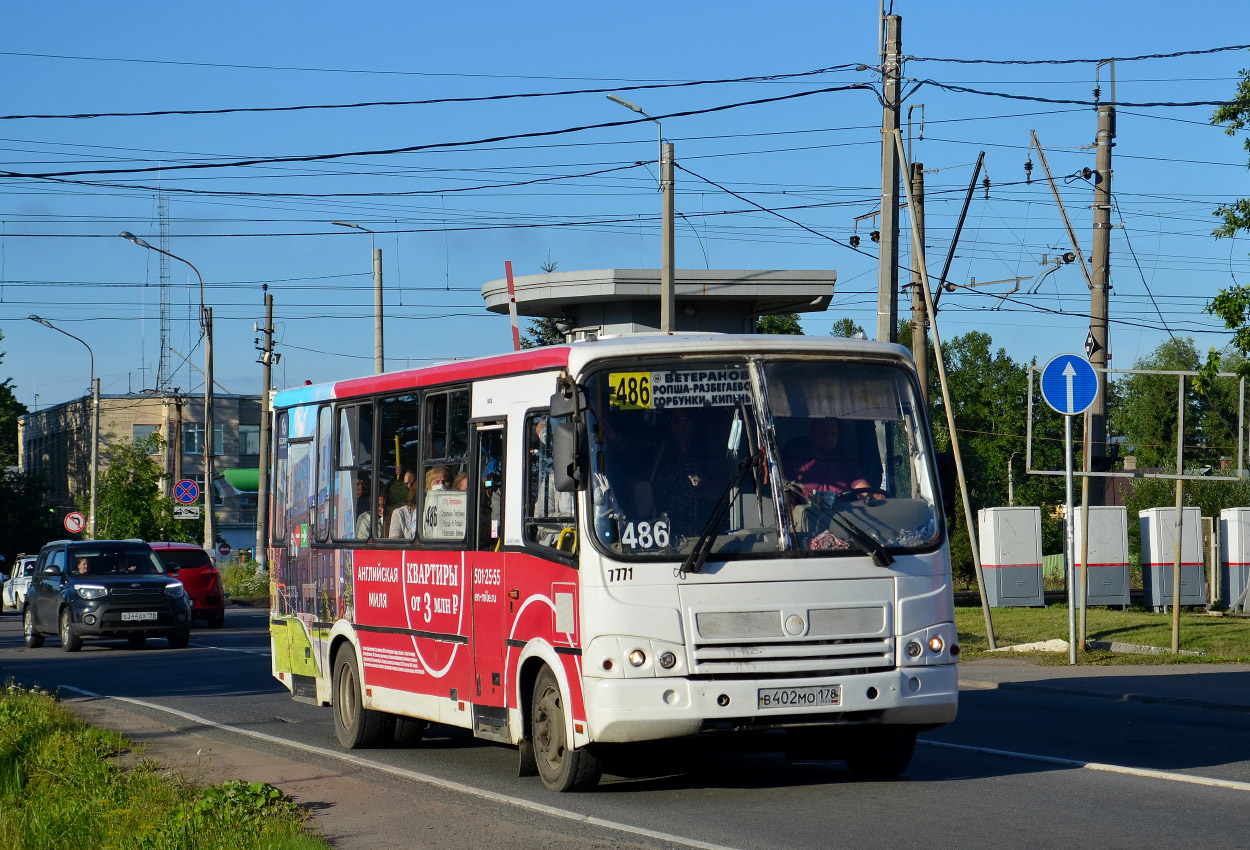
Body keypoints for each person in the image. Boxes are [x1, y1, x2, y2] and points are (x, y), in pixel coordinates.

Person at [784, 417, 874, 501]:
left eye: (833, 433)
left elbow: (862, 489)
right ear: (812, 433)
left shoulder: (845, 462)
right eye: (824, 433)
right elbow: (790, 502)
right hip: (810, 517)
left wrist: (873, 497)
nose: (828, 438)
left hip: (844, 517)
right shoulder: (795, 463)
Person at [388, 469, 419, 538]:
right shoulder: (399, 513)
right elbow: (394, 542)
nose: (410, 487)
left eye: (413, 483)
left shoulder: (427, 510)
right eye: (406, 484)